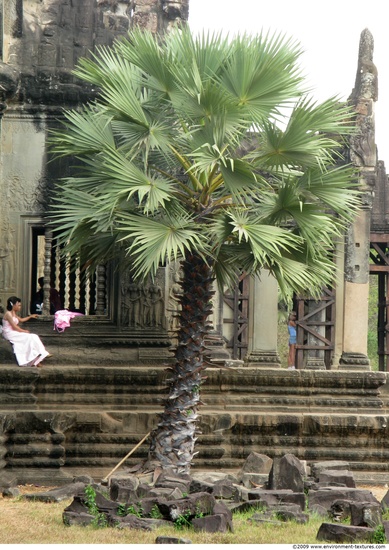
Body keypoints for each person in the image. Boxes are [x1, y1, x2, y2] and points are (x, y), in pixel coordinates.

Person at [2, 296, 52, 367]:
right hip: (8, 333)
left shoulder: (14, 314)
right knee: (28, 337)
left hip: (14, 332)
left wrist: (30, 316)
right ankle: (36, 358)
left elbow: (21, 320)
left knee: (34, 336)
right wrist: (23, 331)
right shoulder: (8, 314)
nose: (20, 307)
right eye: (18, 305)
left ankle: (42, 353)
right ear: (14, 305)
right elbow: (14, 326)